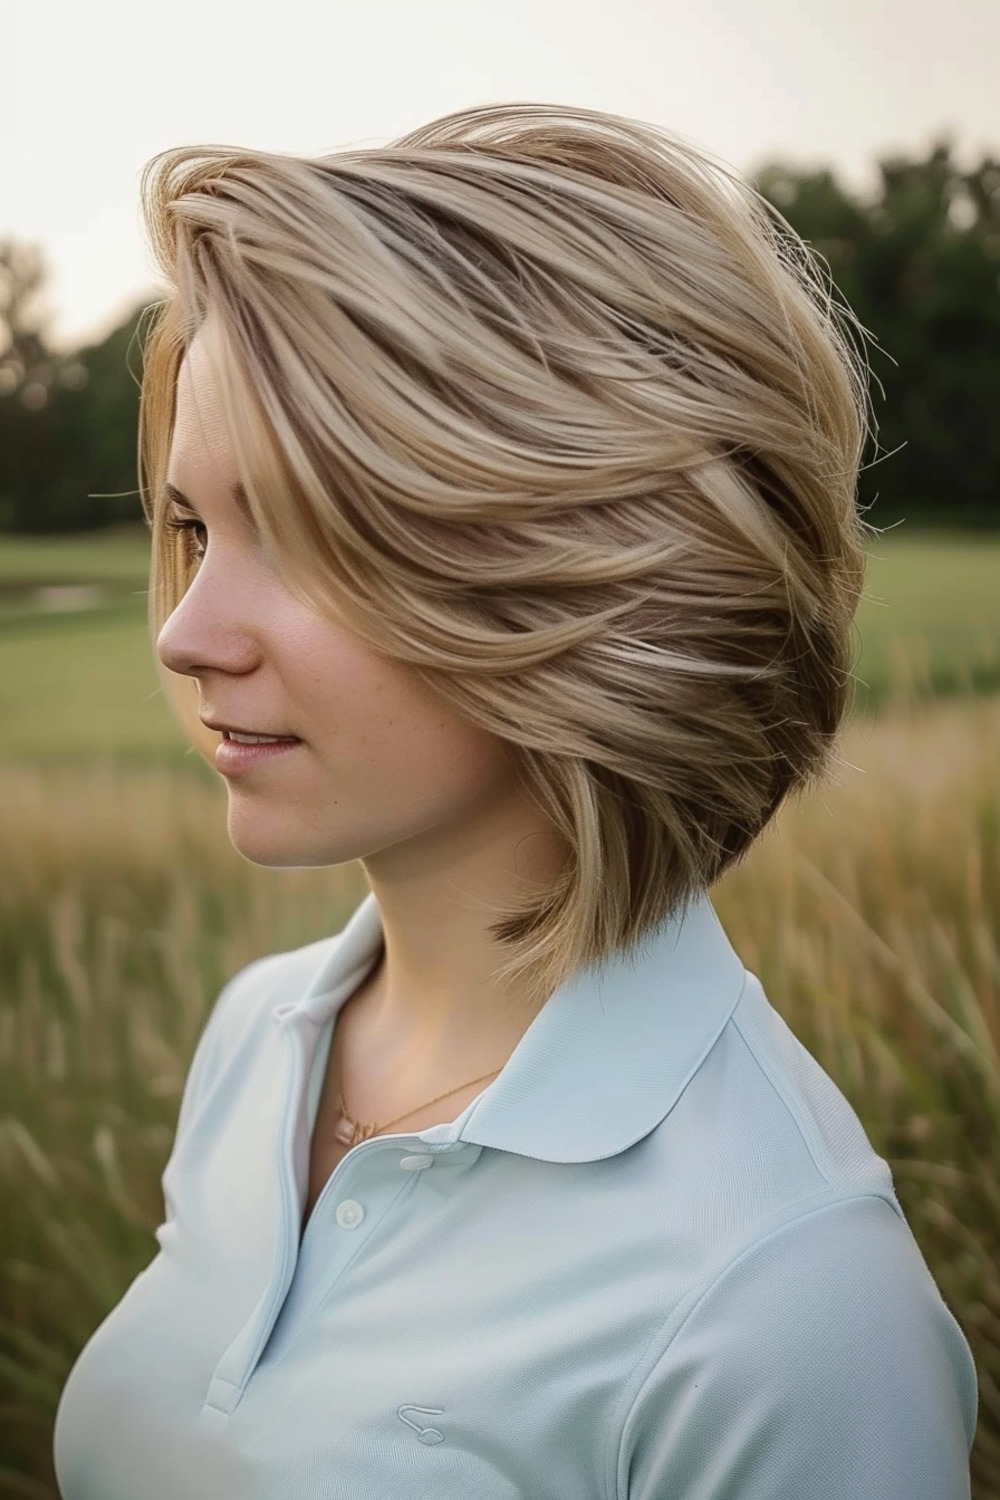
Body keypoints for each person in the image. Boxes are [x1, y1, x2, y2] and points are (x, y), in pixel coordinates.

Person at [53, 102, 976, 1499]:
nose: (187, 634)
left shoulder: (785, 1302)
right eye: (194, 527)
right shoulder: (262, 1037)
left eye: (307, 530)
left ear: (596, 572)